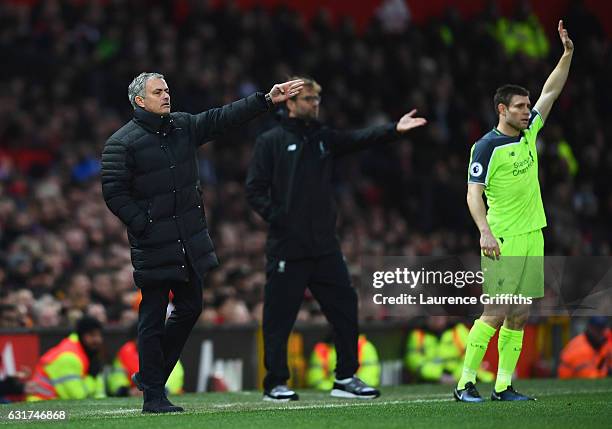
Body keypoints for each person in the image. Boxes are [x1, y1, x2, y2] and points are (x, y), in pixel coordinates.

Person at [101, 72, 303, 413]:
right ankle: (153, 396)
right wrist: (145, 224)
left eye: (166, 89)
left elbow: (222, 118)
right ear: (140, 101)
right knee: (151, 317)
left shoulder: (182, 126)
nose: (166, 95)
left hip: (188, 242)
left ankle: (150, 376)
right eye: (158, 91)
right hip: (154, 244)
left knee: (191, 306)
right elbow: (113, 193)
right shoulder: (121, 142)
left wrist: (265, 100)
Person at [246, 76, 426, 401]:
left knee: (345, 306)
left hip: (324, 246)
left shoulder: (322, 138)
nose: (315, 104)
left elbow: (358, 139)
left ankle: (345, 377)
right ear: (290, 102)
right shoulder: (270, 141)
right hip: (288, 246)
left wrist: (392, 129)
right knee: (279, 317)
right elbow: (254, 189)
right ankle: (275, 383)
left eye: (318, 99)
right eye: (309, 99)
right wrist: (281, 219)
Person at [454, 21, 574, 402]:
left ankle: (504, 385)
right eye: (521, 107)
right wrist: (484, 230)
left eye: (527, 106)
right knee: (495, 310)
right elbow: (473, 195)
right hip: (502, 238)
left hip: (532, 233)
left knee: (520, 313)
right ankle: (464, 383)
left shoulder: (528, 133)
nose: (528, 111)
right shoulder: (485, 147)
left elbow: (551, 91)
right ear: (502, 109)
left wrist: (567, 55)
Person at [27, 317, 105, 401]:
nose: (97, 339)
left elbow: (99, 395)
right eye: (92, 335)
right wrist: (91, 378)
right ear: (82, 336)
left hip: (54, 406)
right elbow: (77, 398)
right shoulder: (69, 358)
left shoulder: (87, 354)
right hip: (40, 407)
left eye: (99, 335)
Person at [405, 317, 494, 384]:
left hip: (460, 377)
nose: (436, 318)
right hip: (430, 381)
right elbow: (413, 361)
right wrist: (439, 375)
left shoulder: (458, 330)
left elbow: (472, 356)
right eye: (432, 314)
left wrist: (455, 376)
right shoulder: (418, 334)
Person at [107, 323, 184, 397]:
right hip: (132, 396)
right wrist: (125, 390)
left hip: (164, 394)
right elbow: (117, 375)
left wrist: (159, 390)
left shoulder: (164, 350)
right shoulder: (125, 352)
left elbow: (175, 375)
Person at [307, 334, 380, 390]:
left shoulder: (364, 346)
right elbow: (315, 380)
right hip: (333, 388)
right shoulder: (322, 349)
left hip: (355, 388)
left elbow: (369, 377)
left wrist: (352, 387)